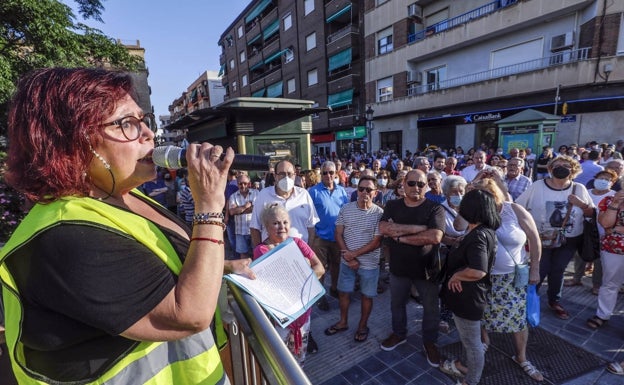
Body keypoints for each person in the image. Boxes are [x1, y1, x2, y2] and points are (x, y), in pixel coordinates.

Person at [0, 67, 255, 384]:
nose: (148, 134)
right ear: (75, 141)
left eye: (143, 120)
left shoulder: (125, 197)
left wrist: (221, 266)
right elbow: (188, 314)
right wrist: (210, 204)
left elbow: (154, 271)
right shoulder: (64, 235)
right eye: (127, 124)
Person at [470, 178, 544, 382]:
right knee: (482, 314)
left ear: (496, 194)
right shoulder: (477, 213)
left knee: (518, 319)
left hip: (512, 277)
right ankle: (484, 341)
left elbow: (534, 238)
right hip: (482, 276)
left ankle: (521, 357)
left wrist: (535, 269)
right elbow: (460, 228)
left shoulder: (514, 210)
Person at [378, 170, 445, 367]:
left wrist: (400, 236)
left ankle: (429, 341)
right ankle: (399, 334)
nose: (416, 187)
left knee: (431, 308)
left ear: (426, 186)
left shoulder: (435, 208)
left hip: (427, 269)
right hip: (399, 268)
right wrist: (419, 228)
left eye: (421, 184)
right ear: (404, 184)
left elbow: (435, 237)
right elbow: (384, 228)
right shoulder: (392, 205)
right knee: (396, 304)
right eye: (412, 183)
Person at [516, 155, 593, 320]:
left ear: (573, 170)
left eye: (565, 165)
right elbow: (518, 206)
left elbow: (591, 212)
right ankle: (529, 300)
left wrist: (581, 204)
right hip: (541, 239)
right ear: (550, 169)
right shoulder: (538, 186)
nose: (561, 167)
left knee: (558, 269)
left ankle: (554, 301)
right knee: (540, 269)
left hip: (569, 239)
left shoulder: (579, 188)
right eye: (557, 165)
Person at [439, 189, 500, 385]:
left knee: (473, 344)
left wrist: (457, 275)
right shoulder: (483, 231)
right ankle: (467, 369)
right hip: (472, 295)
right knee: (471, 341)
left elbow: (478, 270)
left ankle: (470, 381)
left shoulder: (478, 235)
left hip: (468, 297)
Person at [253, 205, 324, 367]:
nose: (282, 227)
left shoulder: (298, 243)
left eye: (285, 222)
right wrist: (305, 266)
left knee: (300, 357)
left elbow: (320, 268)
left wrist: (304, 271)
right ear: (266, 226)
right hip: (280, 317)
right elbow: (280, 280)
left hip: (303, 311)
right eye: (276, 223)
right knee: (280, 359)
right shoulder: (261, 250)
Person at [325, 176, 384, 342]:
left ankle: (362, 326)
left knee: (367, 295)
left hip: (369, 263)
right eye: (361, 189)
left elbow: (376, 242)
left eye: (368, 189)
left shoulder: (380, 214)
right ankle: (343, 322)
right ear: (356, 190)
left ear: (375, 193)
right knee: (343, 292)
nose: (364, 192)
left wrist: (353, 255)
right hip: (347, 260)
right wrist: (347, 255)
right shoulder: (346, 208)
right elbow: (338, 233)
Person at [567, 170, 618, 292]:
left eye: (607, 179)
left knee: (599, 259)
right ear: (595, 179)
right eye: (601, 178)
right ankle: (577, 278)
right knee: (580, 254)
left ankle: (596, 284)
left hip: (603, 231)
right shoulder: (587, 192)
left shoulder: (614, 196)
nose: (603, 181)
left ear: (612, 183)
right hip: (585, 228)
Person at [308, 161, 349, 308]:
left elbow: (346, 211)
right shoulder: (313, 191)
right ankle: (320, 295)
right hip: (320, 237)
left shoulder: (342, 191)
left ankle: (334, 289)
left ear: (336, 174)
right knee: (321, 268)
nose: (328, 175)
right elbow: (308, 215)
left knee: (337, 265)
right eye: (325, 172)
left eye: (331, 172)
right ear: (321, 174)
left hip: (338, 236)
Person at [228, 174, 258, 259]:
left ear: (249, 184)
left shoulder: (256, 193)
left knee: (256, 253)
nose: (243, 186)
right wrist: (245, 206)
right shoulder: (233, 196)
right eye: (240, 183)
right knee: (243, 255)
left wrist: (239, 210)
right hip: (240, 231)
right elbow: (232, 212)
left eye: (245, 183)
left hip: (254, 230)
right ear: (237, 184)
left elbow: (256, 208)